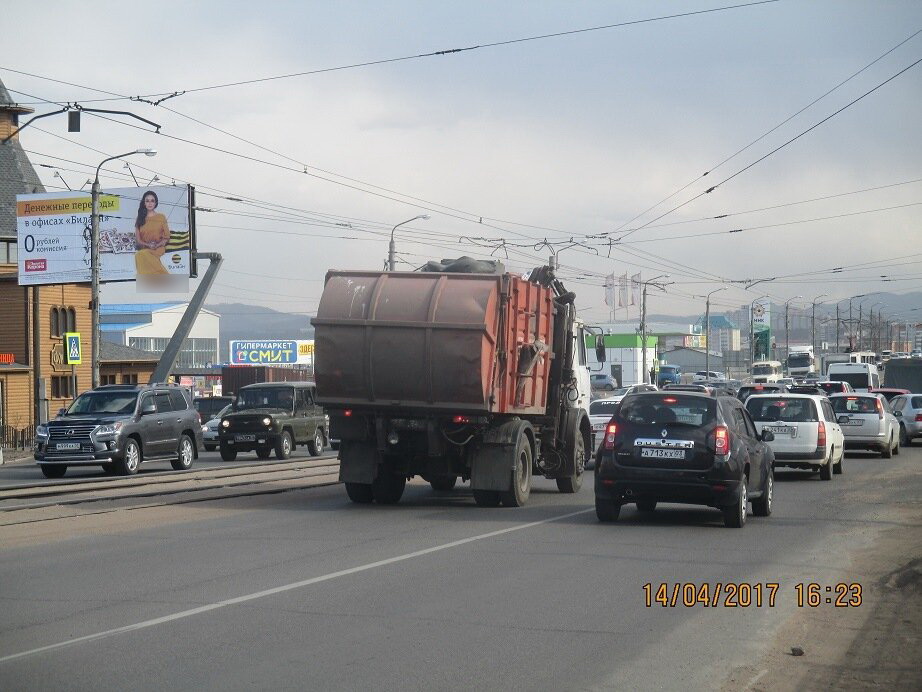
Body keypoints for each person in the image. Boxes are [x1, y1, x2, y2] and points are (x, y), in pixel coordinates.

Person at [134, 190, 170, 275]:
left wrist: (157, 245)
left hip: (158, 248)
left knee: (143, 254)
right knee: (139, 254)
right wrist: (148, 245)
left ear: (155, 203)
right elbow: (138, 240)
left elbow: (167, 236)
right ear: (144, 203)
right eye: (147, 201)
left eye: (152, 201)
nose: (150, 203)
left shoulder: (161, 217)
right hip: (145, 248)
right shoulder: (139, 219)